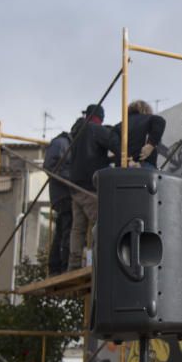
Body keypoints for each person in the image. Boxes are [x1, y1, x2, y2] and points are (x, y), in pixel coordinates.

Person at [67, 104, 114, 271]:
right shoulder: (94, 129)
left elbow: (89, 157)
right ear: (100, 118)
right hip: (89, 186)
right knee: (99, 223)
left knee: (78, 228)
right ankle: (97, 260)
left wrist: (106, 161)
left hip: (74, 186)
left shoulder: (77, 132)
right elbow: (115, 142)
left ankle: (73, 264)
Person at [44, 127, 72, 275]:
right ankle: (62, 267)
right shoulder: (61, 143)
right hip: (63, 194)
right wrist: (73, 178)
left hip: (62, 194)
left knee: (62, 231)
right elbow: (51, 166)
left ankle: (56, 268)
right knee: (67, 230)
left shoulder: (63, 143)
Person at [111, 100, 166, 168]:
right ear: (146, 109)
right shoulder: (149, 118)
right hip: (144, 164)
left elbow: (115, 145)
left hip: (122, 167)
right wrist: (151, 144)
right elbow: (160, 121)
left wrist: (129, 161)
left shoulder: (117, 127)